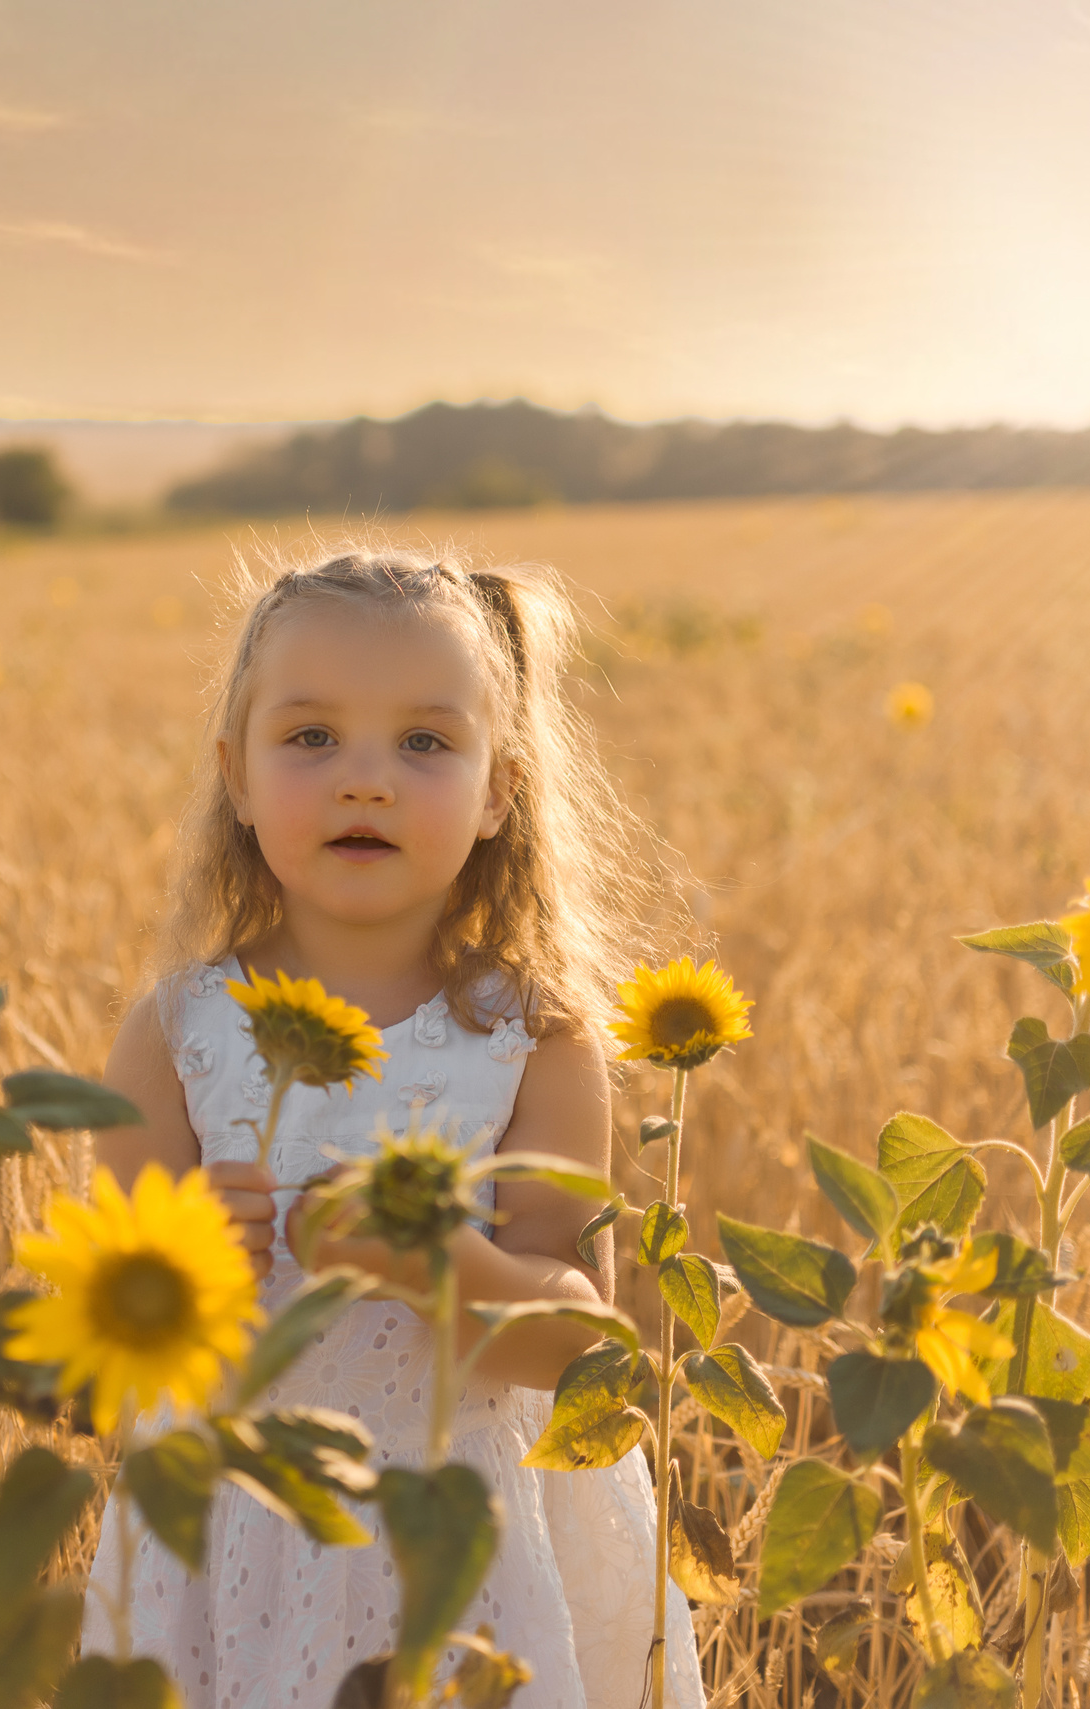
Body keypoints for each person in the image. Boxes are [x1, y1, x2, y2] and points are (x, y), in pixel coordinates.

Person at [88, 546, 704, 1709]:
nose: (364, 780)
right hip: (236, 1535)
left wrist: (427, 1259)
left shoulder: (534, 1039)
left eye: (423, 741)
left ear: (498, 791)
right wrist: (182, 1266)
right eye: (311, 736)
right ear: (234, 774)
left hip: (467, 1550)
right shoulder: (174, 1034)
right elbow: (109, 1364)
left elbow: (578, 1349)